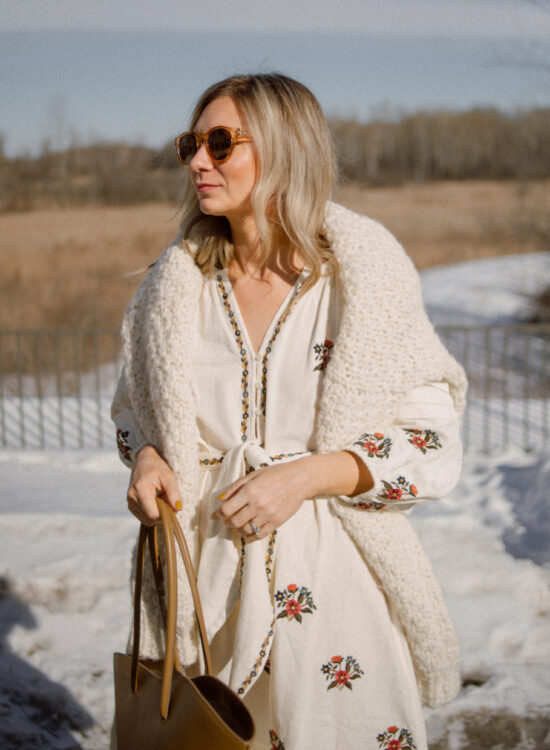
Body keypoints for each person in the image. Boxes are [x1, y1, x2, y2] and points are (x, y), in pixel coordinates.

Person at [112, 72, 467, 750]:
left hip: (334, 586)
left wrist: (306, 477)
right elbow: (134, 406)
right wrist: (149, 455)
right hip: (208, 581)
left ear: (283, 151)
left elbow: (432, 435)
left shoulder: (363, 282)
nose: (196, 161)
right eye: (192, 142)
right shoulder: (173, 288)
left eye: (221, 143)